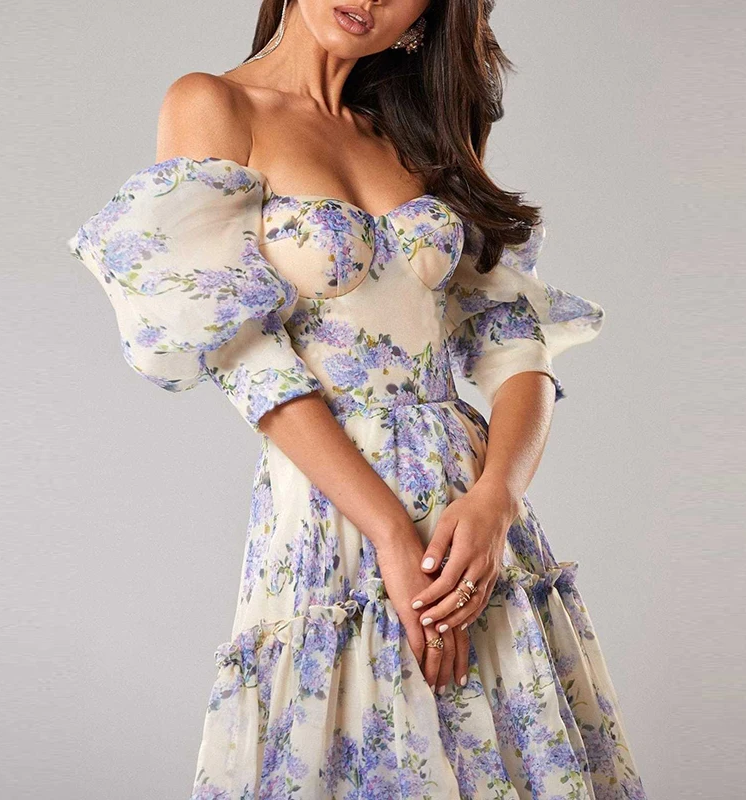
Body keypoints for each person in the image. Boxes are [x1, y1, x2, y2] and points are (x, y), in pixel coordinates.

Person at [67, 1, 647, 797]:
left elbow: (514, 344)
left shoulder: (422, 132)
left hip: (469, 515)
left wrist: (497, 501)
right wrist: (388, 533)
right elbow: (248, 356)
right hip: (331, 510)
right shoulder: (215, 105)